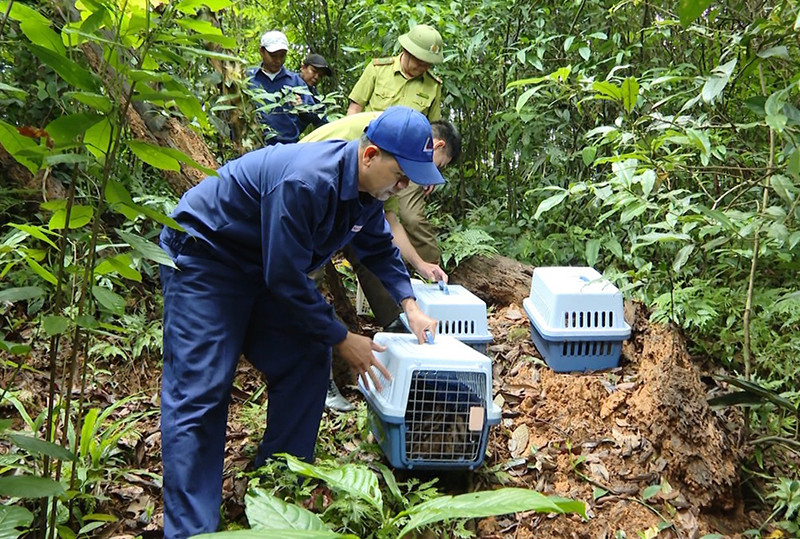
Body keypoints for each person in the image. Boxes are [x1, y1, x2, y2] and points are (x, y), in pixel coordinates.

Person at [158, 106, 441, 539]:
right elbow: (286, 279)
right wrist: (344, 338)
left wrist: (410, 304)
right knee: (202, 389)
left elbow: (379, 249)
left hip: (262, 266)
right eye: (401, 177)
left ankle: (275, 488)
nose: (402, 188)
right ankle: (192, 529)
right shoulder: (308, 181)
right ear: (369, 156)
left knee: (307, 358)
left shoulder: (367, 195)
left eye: (409, 182)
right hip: (207, 257)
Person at [301, 112, 462, 411]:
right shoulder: (386, 143)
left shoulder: (391, 164)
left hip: (341, 200)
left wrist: (412, 291)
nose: (411, 184)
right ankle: (317, 379)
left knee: (371, 262)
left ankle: (399, 333)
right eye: (432, 168)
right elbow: (288, 280)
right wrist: (343, 339)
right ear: (435, 146)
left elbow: (381, 238)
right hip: (310, 203)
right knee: (306, 283)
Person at [347, 24, 447, 323]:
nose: (421, 67)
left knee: (401, 220)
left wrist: (425, 170)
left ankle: (422, 289)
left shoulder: (432, 85)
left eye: (427, 64)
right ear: (405, 51)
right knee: (363, 228)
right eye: (418, 60)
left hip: (404, 164)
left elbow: (432, 129)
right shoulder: (377, 70)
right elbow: (355, 110)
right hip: (368, 159)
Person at [248, 30, 326, 145]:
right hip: (254, 145)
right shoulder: (248, 78)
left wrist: (302, 109)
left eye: (282, 55)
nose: (278, 60)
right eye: (273, 56)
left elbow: (317, 117)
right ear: (261, 52)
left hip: (287, 147)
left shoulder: (296, 83)